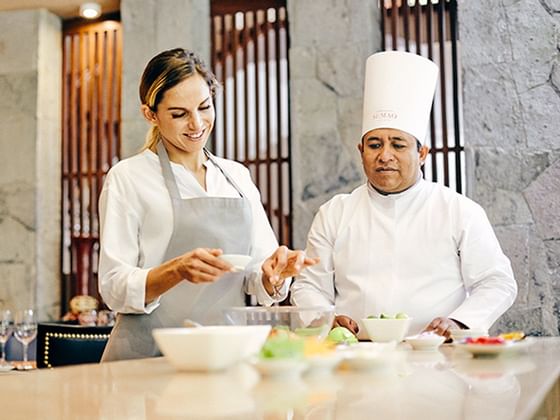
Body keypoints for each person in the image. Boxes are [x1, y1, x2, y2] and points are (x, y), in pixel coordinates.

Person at [98, 48, 317, 361]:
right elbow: (113, 286)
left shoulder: (237, 177)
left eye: (205, 107)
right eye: (179, 114)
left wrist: (273, 273)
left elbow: (258, 272)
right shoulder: (128, 177)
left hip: (224, 355)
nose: (196, 123)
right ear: (151, 114)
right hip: (149, 357)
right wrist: (176, 270)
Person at [290, 51, 517, 339]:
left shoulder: (458, 210)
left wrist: (459, 322)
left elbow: (497, 281)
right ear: (361, 151)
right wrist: (325, 319)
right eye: (374, 145)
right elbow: (308, 286)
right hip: (358, 357)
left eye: (398, 145)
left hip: (437, 357)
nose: (385, 156)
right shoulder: (335, 213)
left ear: (422, 153)